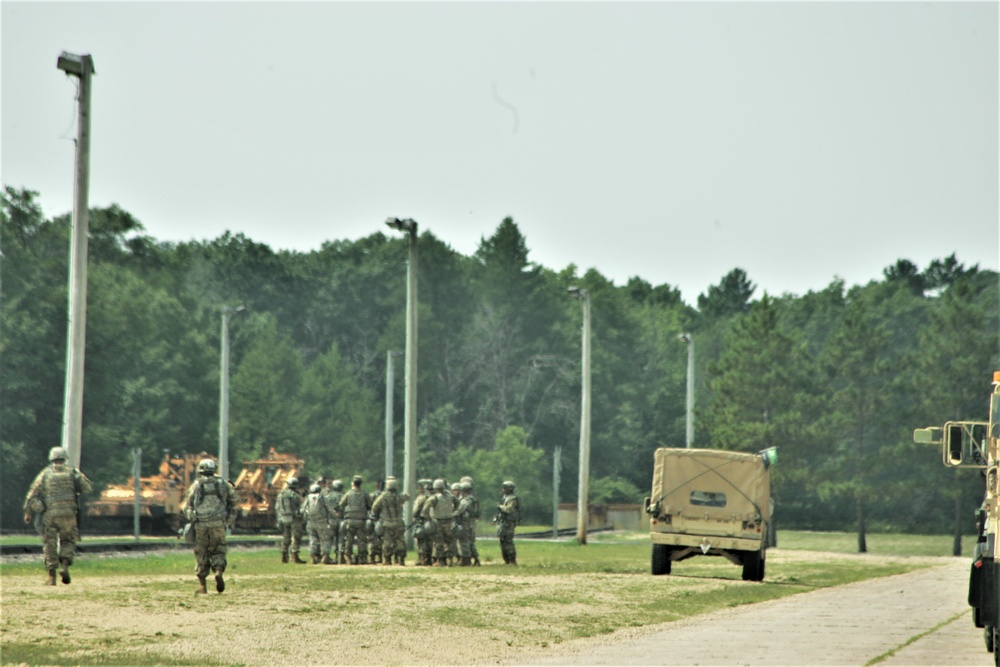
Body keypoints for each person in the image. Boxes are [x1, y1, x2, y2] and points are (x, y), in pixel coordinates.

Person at [22, 446, 93, 586]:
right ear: (64, 458)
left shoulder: (46, 474)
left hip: (51, 514)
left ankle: (52, 576)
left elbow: (32, 494)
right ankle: (65, 566)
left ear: (51, 459)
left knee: (50, 543)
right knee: (68, 540)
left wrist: (28, 511)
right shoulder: (73, 473)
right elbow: (87, 488)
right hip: (69, 514)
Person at [183, 458, 239, 594]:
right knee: (219, 549)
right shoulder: (224, 484)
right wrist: (228, 520)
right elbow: (235, 502)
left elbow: (187, 506)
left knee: (201, 552)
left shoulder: (196, 485)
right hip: (218, 523)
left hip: (201, 524)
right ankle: (218, 571)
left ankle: (202, 586)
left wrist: (192, 517)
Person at [370, 476, 407, 565]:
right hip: (399, 522)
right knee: (400, 540)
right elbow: (407, 497)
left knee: (387, 541)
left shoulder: (382, 497)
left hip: (386, 523)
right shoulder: (400, 496)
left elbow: (374, 507)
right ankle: (401, 559)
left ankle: (387, 559)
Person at [338, 475, 372, 564]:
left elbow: (341, 504)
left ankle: (348, 557)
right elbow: (370, 505)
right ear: (361, 484)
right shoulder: (364, 493)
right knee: (362, 539)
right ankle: (362, 557)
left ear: (353, 483)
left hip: (350, 520)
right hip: (361, 521)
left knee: (349, 539)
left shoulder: (348, 493)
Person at [426, 478, 457, 566]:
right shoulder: (451, 496)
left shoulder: (434, 498)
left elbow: (426, 508)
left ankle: (440, 561)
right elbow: (457, 504)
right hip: (449, 521)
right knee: (448, 541)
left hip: (438, 522)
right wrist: (452, 511)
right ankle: (450, 560)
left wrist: (427, 517)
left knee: (438, 542)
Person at [302, 483, 336, 564]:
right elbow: (329, 508)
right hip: (321, 521)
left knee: (313, 539)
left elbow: (303, 509)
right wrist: (335, 515)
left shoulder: (308, 498)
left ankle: (313, 556)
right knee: (326, 538)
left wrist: (304, 519)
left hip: (310, 521)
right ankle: (325, 556)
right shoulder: (322, 497)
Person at [275, 477, 306, 563]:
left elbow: (277, 507)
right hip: (294, 518)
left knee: (286, 537)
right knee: (296, 537)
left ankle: (284, 555)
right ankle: (295, 556)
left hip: (284, 518)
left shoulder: (281, 494)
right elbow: (300, 506)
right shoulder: (294, 495)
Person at [495, 480, 520, 566]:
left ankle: (512, 561)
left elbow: (509, 509)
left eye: (505, 488)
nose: (503, 489)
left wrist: (500, 506)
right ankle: (506, 560)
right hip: (502, 522)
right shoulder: (504, 498)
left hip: (509, 524)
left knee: (508, 542)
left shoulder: (512, 499)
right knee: (502, 541)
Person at [460, 476, 482, 566]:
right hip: (471, 522)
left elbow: (461, 510)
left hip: (466, 523)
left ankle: (466, 560)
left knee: (465, 541)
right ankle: (476, 559)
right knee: (470, 542)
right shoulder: (474, 499)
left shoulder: (466, 500)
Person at [411, 479, 433, 566]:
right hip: (433, 522)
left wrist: (415, 516)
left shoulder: (422, 498)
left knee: (421, 540)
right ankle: (431, 558)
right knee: (432, 541)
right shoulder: (435, 496)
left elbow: (416, 511)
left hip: (423, 521)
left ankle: (422, 558)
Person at [326, 479, 345, 564]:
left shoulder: (328, 496)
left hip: (331, 520)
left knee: (329, 539)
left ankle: (326, 556)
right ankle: (340, 556)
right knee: (341, 539)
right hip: (341, 520)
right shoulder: (344, 496)